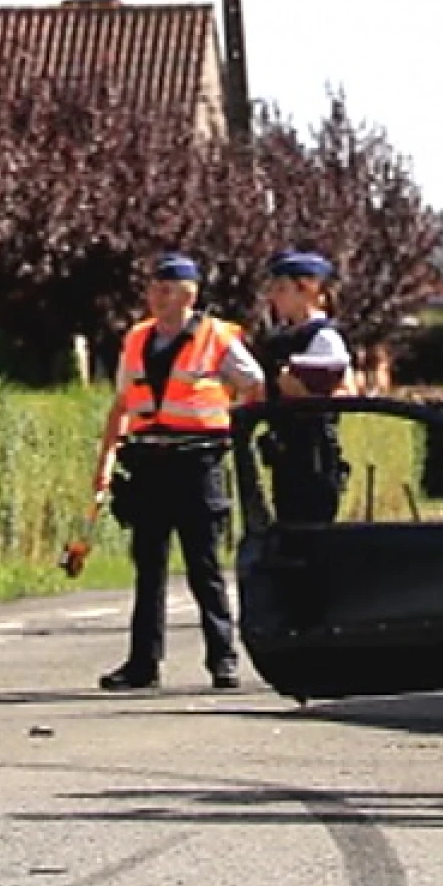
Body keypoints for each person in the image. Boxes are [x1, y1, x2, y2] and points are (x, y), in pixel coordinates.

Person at [92, 253, 265, 691]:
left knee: (203, 566)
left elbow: (254, 383)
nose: (156, 297)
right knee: (148, 567)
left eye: (165, 289)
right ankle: (142, 664)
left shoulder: (215, 337)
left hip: (196, 462)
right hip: (149, 463)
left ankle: (223, 659)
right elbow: (122, 403)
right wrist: (106, 461)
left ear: (190, 294)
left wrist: (232, 427)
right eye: (152, 288)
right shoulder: (136, 339)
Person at [252, 249, 354, 524]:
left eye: (282, 289)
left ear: (307, 291)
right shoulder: (280, 339)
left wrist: (304, 393)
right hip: (286, 448)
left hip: (314, 451)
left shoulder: (324, 338)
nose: (274, 297)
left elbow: (345, 392)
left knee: (311, 529)